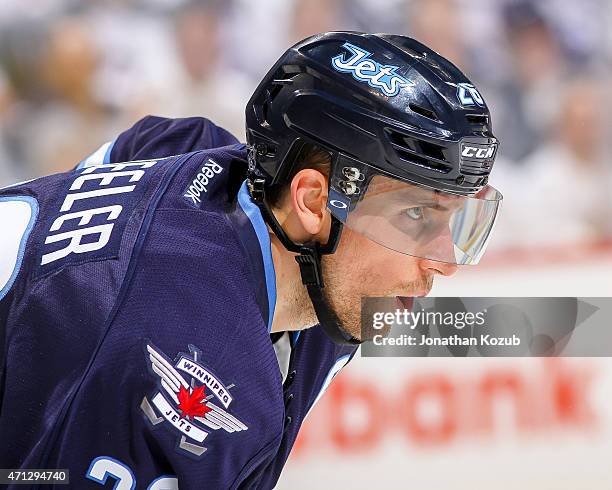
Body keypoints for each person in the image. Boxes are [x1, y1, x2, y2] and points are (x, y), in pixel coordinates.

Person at [0, 32, 502, 489]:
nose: (444, 262)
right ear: (311, 200)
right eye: (416, 214)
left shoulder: (187, 150)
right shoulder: (196, 371)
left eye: (455, 219)